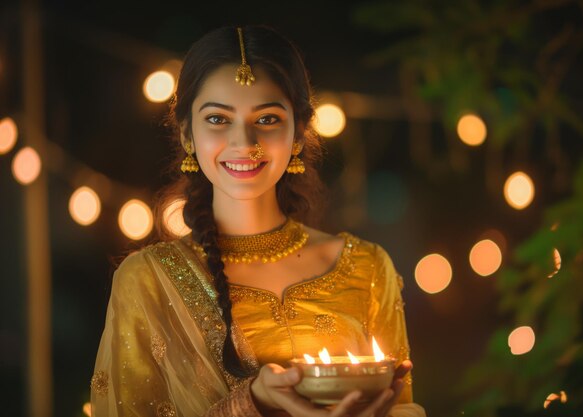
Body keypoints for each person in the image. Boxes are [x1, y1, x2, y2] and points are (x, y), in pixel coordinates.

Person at [90, 25, 426, 417]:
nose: (244, 143)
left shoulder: (367, 269)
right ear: (186, 135)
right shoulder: (146, 280)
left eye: (267, 119)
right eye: (218, 119)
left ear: (299, 133)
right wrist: (252, 403)